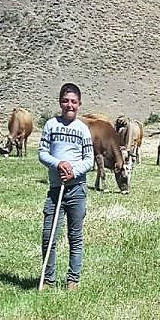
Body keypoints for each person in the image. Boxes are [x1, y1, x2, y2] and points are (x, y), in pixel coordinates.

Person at [38, 83, 94, 290]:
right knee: (48, 234)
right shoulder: (51, 125)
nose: (69, 105)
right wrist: (58, 163)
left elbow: (89, 159)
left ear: (79, 104)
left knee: (75, 236)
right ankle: (49, 279)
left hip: (77, 190)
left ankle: (73, 280)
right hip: (55, 190)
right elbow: (42, 153)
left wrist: (74, 171)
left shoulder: (83, 130)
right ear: (60, 102)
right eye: (65, 101)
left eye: (73, 101)